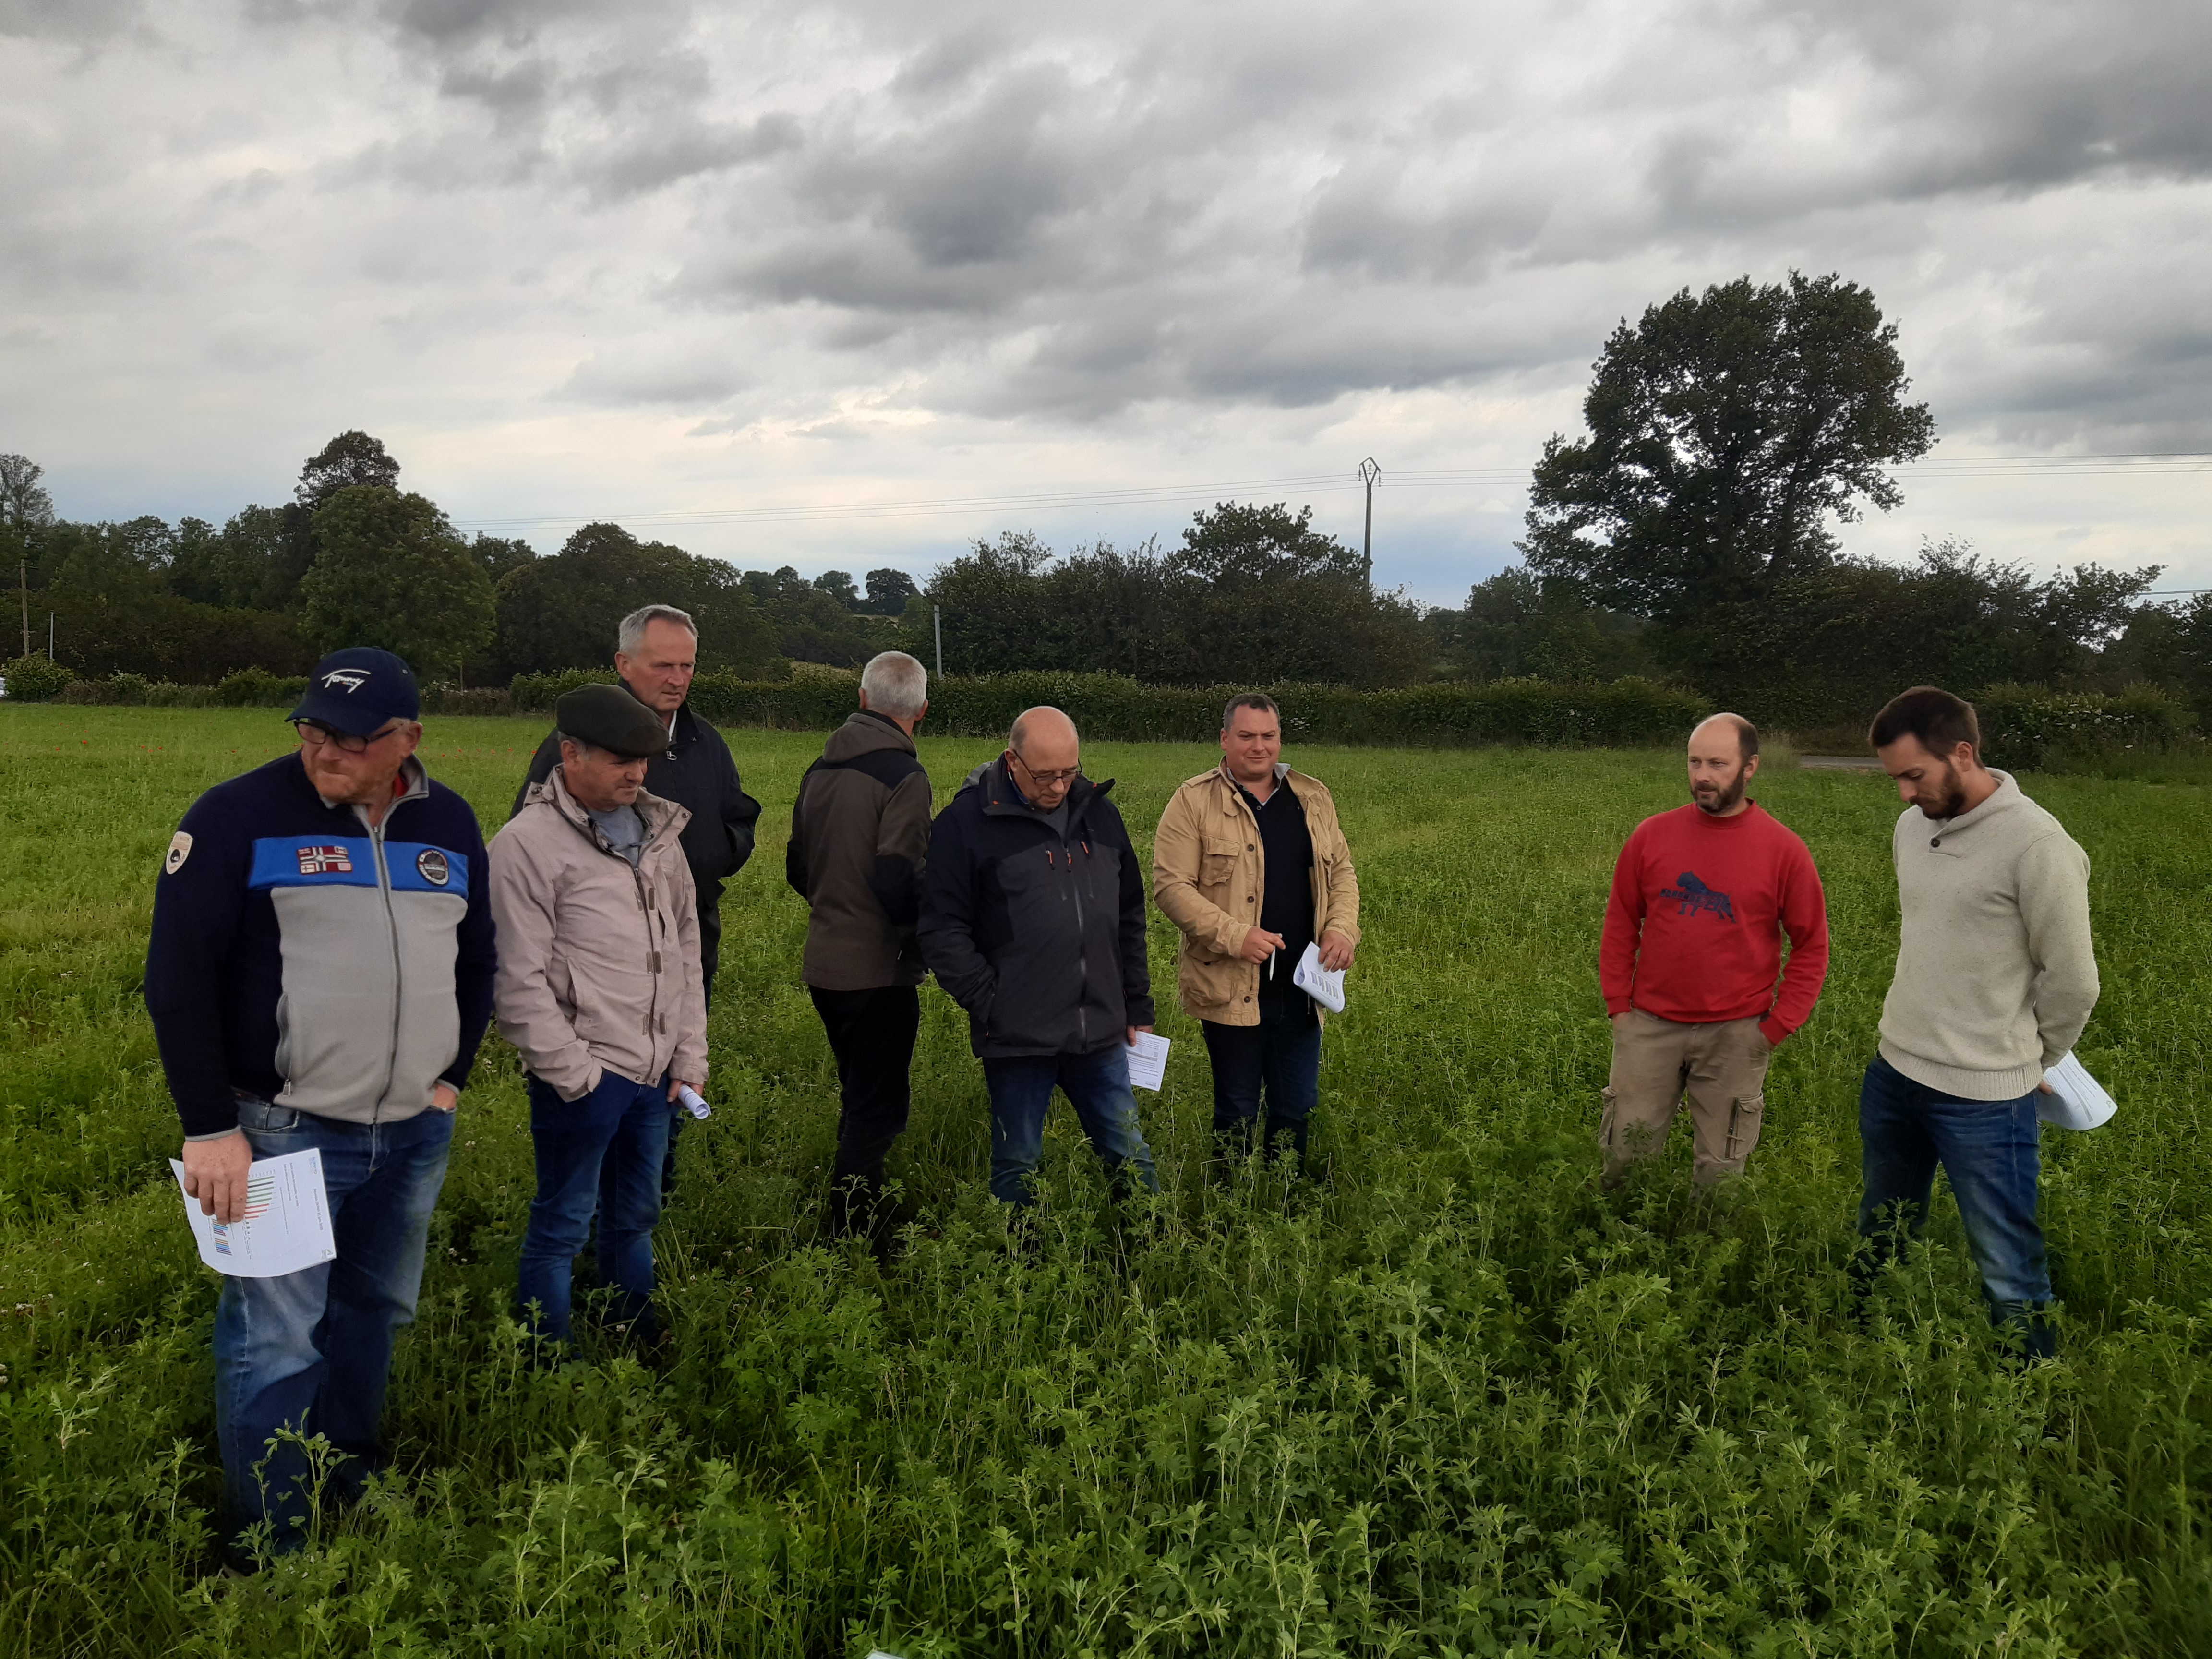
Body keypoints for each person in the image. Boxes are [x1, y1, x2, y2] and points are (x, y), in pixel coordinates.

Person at [145, 647, 496, 1567]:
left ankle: (349, 1476)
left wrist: (450, 1074)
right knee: (275, 1340)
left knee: (374, 1315)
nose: (326, 750)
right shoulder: (236, 818)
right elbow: (177, 980)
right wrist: (211, 1125)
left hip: (413, 1131)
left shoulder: (450, 824)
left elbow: (478, 962)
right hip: (279, 1132)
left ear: (408, 739)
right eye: (312, 729)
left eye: (350, 737)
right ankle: (271, 1542)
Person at [1857, 686, 2096, 1359]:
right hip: (1894, 1071)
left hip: (1987, 1099)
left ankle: (2029, 1405)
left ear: (1962, 753)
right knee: (1882, 1225)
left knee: (2007, 1262)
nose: (1904, 794)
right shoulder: (1913, 827)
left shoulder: (2039, 846)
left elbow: (2074, 981)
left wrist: (2030, 1058)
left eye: (1915, 775)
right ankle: (1862, 1343)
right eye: (1896, 778)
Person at [511, 603, 759, 1194]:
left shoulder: (705, 742)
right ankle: (596, 1220)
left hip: (686, 949)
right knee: (595, 1125)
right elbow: (533, 859)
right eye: (662, 665)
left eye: (687, 666)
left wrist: (716, 855)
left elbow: (739, 814)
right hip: (599, 984)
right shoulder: (570, 750)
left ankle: (648, 1201)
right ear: (624, 664)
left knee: (671, 1085)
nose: (677, 679)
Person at [491, 683, 709, 1350]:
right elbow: (514, 978)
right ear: (570, 754)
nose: (636, 774)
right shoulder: (526, 846)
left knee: (634, 1218)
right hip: (584, 1077)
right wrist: (576, 1075)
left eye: (643, 760)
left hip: (655, 1074)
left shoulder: (661, 833)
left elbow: (685, 949)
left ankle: (633, 1333)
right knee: (562, 1224)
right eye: (619, 760)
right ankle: (544, 1360)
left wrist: (688, 1057)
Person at [918, 706, 1160, 1208]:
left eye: (1068, 773)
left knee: (1129, 1154)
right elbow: (942, 929)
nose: (1057, 787)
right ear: (1012, 760)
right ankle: (1020, 1271)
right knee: (1018, 1163)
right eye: (1045, 775)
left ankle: (1151, 1250)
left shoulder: (1100, 814)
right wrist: (994, 1003)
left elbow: (1129, 916)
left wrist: (1136, 1005)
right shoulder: (965, 824)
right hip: (1017, 1037)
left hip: (1100, 1029)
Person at [1597, 712, 1829, 1186]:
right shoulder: (1651, 837)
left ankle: (1703, 1251)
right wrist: (1620, 1008)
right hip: (1649, 1027)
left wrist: (1777, 1026)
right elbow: (1621, 922)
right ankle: (1621, 1242)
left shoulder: (1783, 850)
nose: (1703, 774)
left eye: (1718, 763)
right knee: (1626, 1156)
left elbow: (1812, 944)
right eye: (1695, 761)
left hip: (1736, 1034)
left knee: (1721, 1172)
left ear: (1750, 767)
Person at [1151, 693, 1360, 1170]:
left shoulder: (1312, 797)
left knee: (1296, 1105)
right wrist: (1234, 935)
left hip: (1304, 986)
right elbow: (1170, 887)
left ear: (1280, 738)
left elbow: (1342, 872)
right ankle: (1229, 1213)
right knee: (1237, 1109)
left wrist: (1342, 931)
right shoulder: (1193, 801)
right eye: (1246, 736)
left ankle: (1285, 1203)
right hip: (1230, 986)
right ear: (1225, 739)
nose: (1259, 747)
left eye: (1268, 736)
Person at [785, 651, 934, 1241]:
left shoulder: (818, 771)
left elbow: (798, 868)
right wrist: (924, 941)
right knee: (879, 1108)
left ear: (863, 699)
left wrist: (835, 909)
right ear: (921, 710)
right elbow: (899, 876)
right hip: (879, 971)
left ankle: (856, 1208)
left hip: (825, 964)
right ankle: (854, 1230)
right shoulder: (905, 778)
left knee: (859, 1093)